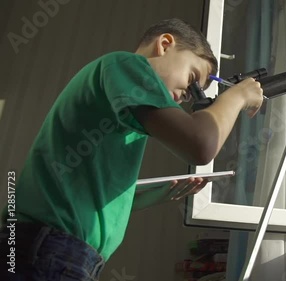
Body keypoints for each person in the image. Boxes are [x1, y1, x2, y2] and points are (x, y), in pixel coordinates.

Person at [0, 18, 264, 281]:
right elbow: (201, 145)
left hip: (55, 251)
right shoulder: (126, 64)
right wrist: (238, 95)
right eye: (193, 79)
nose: (187, 96)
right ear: (165, 44)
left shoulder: (122, 113)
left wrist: (146, 197)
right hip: (49, 250)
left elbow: (85, 191)